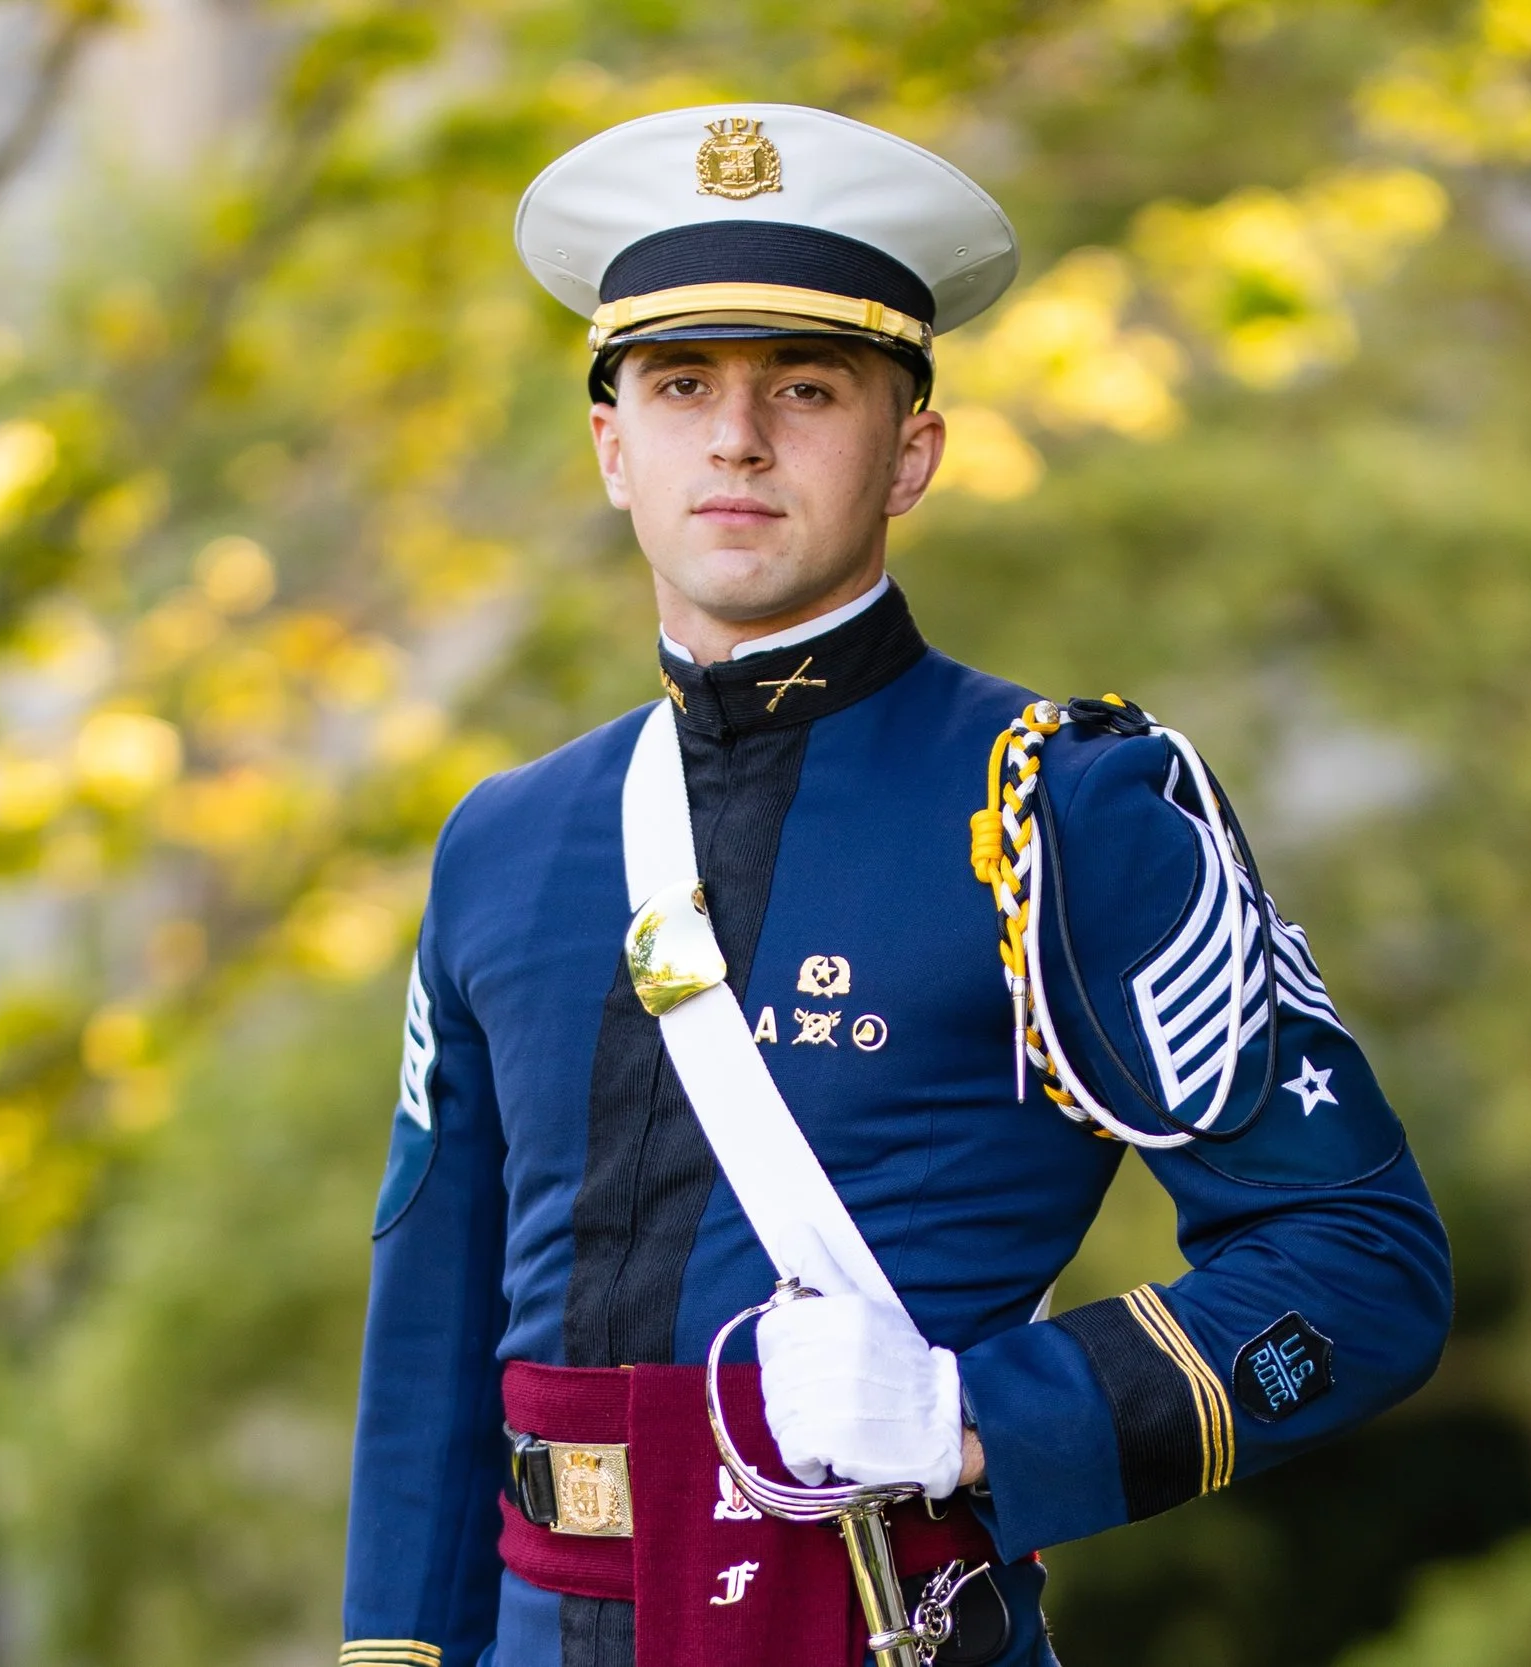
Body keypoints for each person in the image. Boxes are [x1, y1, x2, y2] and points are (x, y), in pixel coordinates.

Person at [340, 104, 1451, 1667]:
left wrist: (975, 1417)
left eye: (805, 388)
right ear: (612, 448)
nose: (736, 438)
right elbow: (429, 1345)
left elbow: (1362, 1265)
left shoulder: (1069, 807)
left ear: (911, 448)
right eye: (680, 387)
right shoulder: (503, 839)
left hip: (878, 1624)